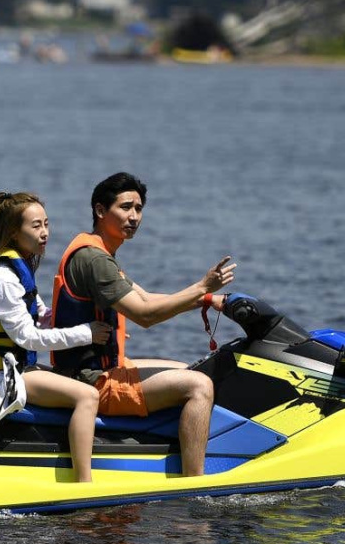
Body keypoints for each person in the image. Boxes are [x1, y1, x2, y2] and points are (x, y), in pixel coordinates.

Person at [51, 172, 235, 477]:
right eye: (125, 208)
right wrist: (202, 287)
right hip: (93, 380)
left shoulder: (97, 251)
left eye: (138, 209)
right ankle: (194, 480)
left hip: (101, 367)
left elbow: (146, 297)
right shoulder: (95, 261)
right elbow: (145, 315)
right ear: (100, 210)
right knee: (199, 386)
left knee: (188, 368)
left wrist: (207, 300)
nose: (134, 217)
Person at [0, 192, 113, 483]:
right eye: (35, 226)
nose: (45, 233)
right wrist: (86, 334)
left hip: (13, 368)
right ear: (14, 233)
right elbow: (28, 337)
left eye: (46, 223)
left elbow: (40, 315)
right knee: (87, 396)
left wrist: (100, 324)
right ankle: (84, 482)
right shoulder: (2, 278)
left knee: (76, 379)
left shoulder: (18, 263)